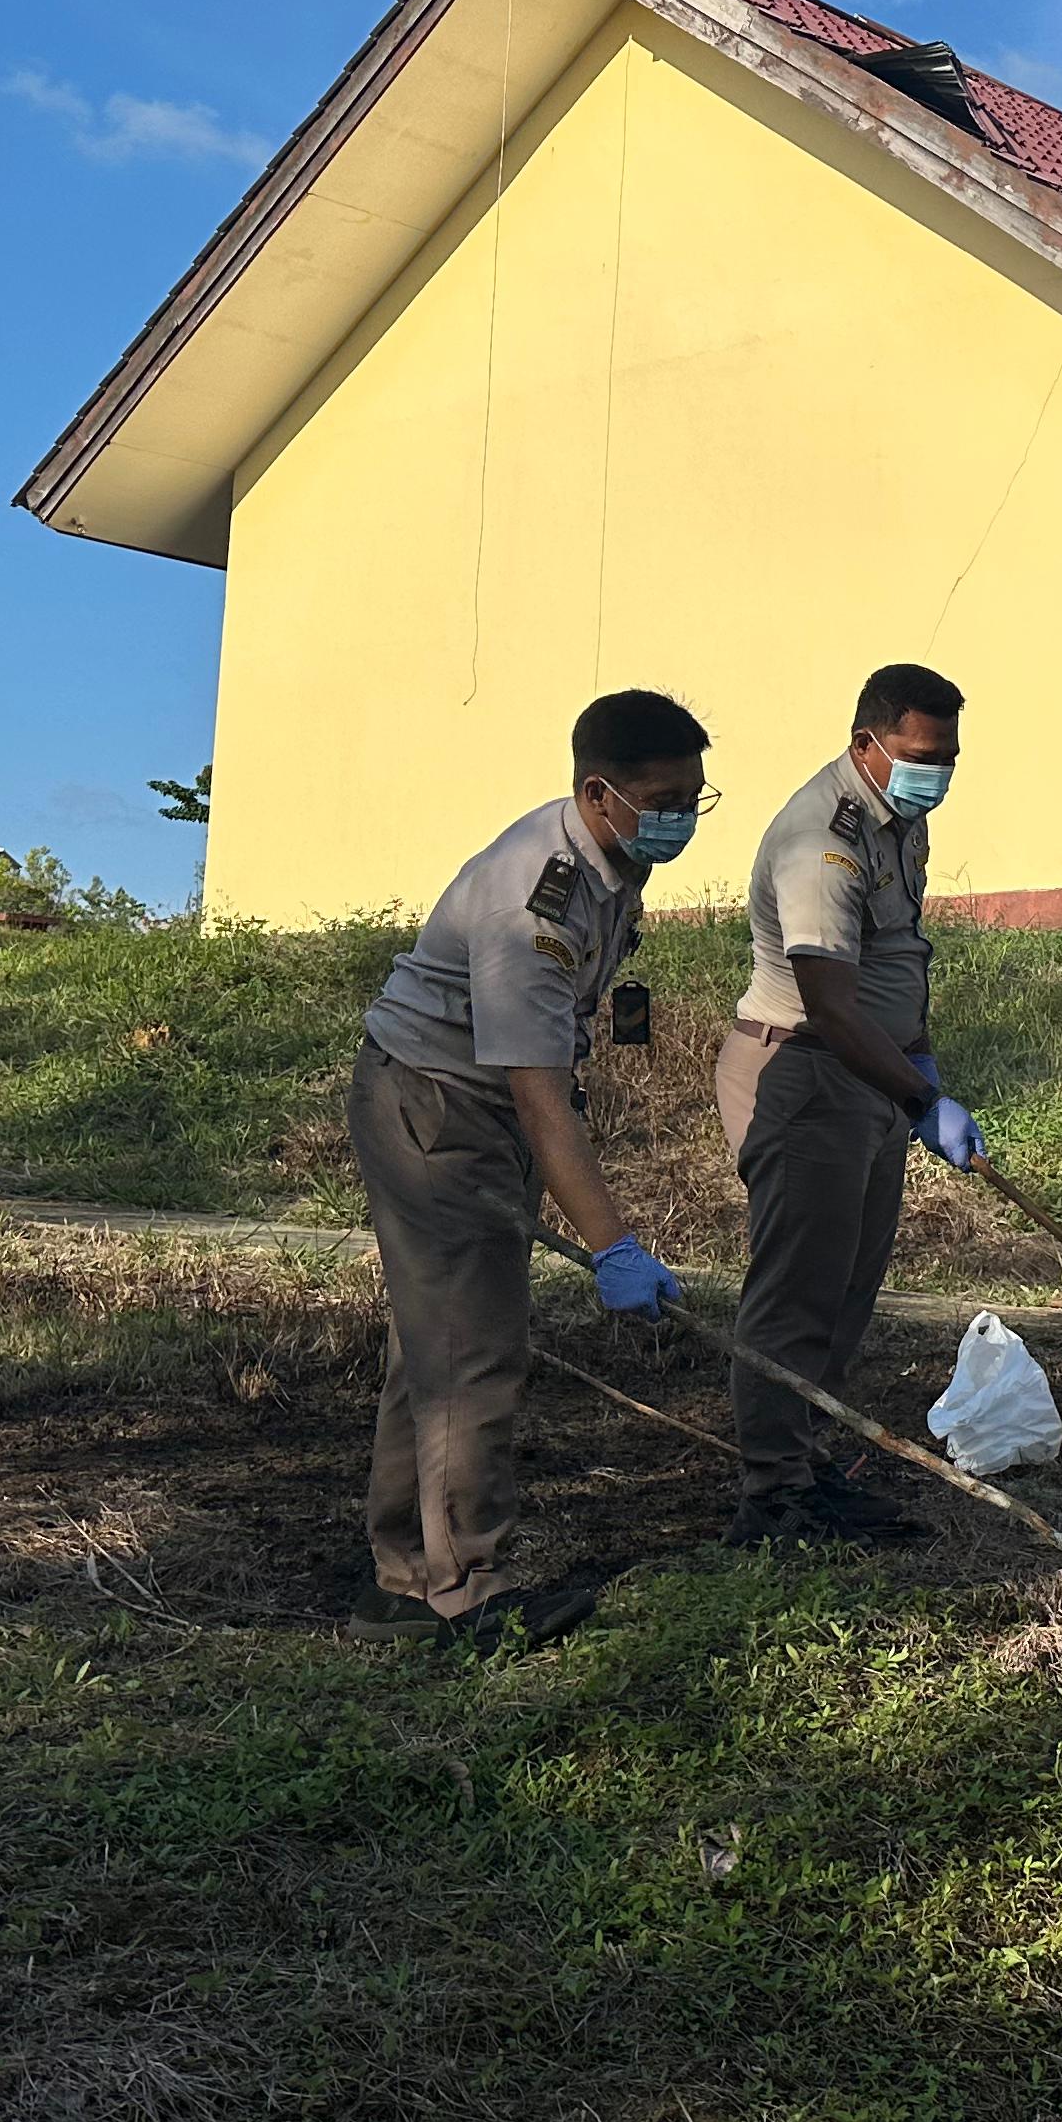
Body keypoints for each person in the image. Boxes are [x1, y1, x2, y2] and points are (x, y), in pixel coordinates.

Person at [345, 688, 707, 1648]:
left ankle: (401, 1578)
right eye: (665, 796)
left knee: (433, 1344)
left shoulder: (610, 861)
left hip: (473, 1101)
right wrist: (614, 1245)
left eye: (696, 797)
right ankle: (465, 1590)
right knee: (473, 1353)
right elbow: (542, 1101)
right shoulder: (531, 898)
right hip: (436, 1106)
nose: (682, 816)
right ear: (599, 791)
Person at [718, 663, 983, 1547]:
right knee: (798, 1290)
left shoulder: (897, 823)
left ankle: (810, 1458)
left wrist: (922, 1069)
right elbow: (830, 1004)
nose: (935, 772)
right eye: (919, 754)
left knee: (848, 1289)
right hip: (807, 1074)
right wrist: (921, 1096)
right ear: (867, 744)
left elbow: (900, 957)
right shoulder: (820, 841)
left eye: (947, 756)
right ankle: (771, 1493)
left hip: (872, 1079)